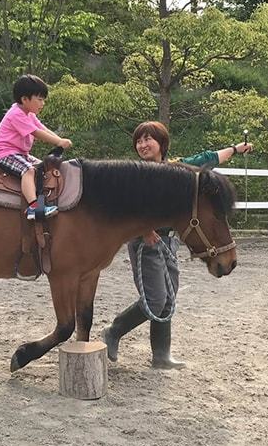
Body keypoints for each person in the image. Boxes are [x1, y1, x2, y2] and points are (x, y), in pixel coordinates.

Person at [101, 121, 252, 369]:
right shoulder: (135, 173)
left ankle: (161, 355)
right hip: (145, 243)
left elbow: (208, 159)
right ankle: (114, 331)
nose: (142, 145)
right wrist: (145, 230)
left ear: (162, 143)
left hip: (168, 242)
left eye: (148, 139)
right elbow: (125, 206)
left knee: (169, 299)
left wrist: (235, 149)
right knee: (156, 299)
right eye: (139, 140)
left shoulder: (174, 169)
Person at [0, 74, 72, 220]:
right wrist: (58, 142)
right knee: (28, 171)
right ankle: (34, 208)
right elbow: (36, 132)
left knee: (41, 169)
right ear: (24, 99)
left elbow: (42, 128)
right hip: (5, 153)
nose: (42, 103)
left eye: (43, 100)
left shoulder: (29, 114)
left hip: (20, 153)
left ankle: (44, 203)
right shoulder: (16, 114)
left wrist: (59, 139)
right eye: (39, 99)